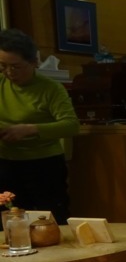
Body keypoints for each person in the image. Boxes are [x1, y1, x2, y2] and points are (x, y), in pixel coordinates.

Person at [0, 28, 79, 224]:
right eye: (2, 66)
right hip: (6, 163)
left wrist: (30, 129)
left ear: (34, 62)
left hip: (44, 165)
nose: (9, 72)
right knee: (10, 220)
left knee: (50, 221)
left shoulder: (51, 88)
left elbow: (71, 125)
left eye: (16, 67)